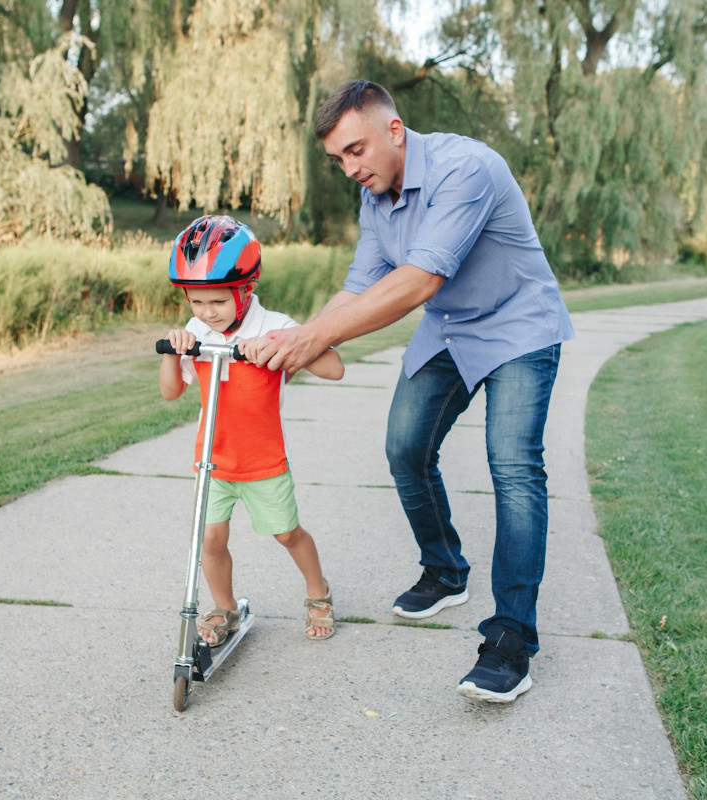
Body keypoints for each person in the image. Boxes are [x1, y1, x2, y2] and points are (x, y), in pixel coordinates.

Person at [252, 80, 575, 703]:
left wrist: (309, 338)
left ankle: (511, 637)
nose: (350, 168)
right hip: (451, 330)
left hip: (518, 327)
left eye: (355, 150)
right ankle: (446, 568)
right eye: (339, 160)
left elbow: (418, 280)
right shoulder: (377, 197)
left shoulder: (467, 168)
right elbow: (361, 286)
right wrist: (299, 343)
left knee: (513, 468)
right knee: (404, 448)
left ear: (393, 130)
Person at [159, 215, 345, 644]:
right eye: (197, 302)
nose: (207, 313)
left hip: (263, 460)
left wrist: (280, 345)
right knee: (209, 538)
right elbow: (170, 393)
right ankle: (224, 608)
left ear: (247, 290)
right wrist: (173, 350)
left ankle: (319, 593)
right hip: (213, 458)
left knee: (286, 533)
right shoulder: (196, 331)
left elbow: (334, 368)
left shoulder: (275, 325)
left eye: (218, 302)